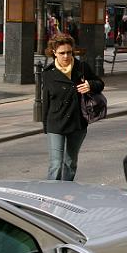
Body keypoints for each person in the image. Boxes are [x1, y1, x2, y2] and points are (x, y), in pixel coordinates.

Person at [42, 34, 104, 181]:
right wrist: (46, 125)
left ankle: (65, 192)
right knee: (56, 164)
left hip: (78, 124)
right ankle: (51, 194)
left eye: (69, 52)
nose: (66, 56)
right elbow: (46, 101)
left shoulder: (81, 68)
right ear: (54, 53)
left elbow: (100, 84)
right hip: (56, 124)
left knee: (70, 163)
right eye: (62, 53)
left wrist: (90, 85)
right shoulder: (48, 73)